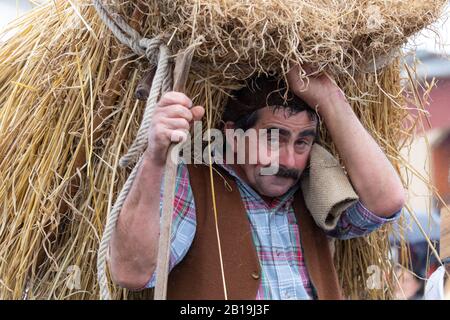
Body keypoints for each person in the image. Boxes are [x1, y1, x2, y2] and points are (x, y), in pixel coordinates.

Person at [107, 65, 405, 300]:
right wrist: (156, 157)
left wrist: (329, 99)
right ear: (232, 136)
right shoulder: (196, 182)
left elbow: (386, 202)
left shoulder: (315, 190)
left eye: (303, 142)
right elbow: (132, 272)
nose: (288, 161)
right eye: (274, 138)